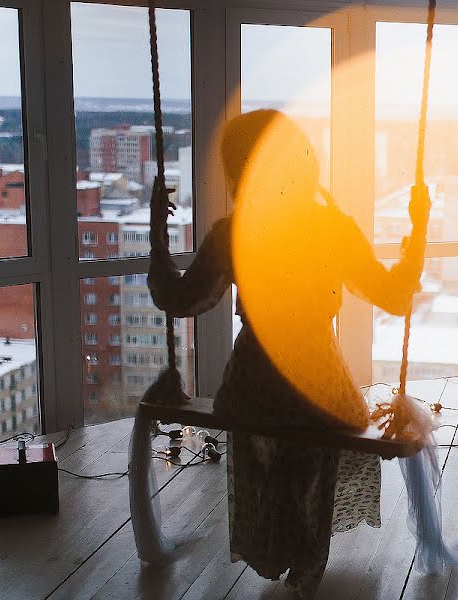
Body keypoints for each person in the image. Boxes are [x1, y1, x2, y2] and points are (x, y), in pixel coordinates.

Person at [147, 109, 429, 598]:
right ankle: (301, 542)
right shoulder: (331, 228)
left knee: (271, 447)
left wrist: (157, 235)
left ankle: (283, 536)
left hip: (250, 389)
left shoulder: (232, 232)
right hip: (317, 388)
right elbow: (395, 296)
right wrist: (418, 231)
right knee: (317, 435)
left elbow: (183, 300)